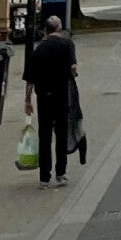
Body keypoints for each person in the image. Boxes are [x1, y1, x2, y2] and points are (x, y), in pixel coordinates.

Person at [25, 13, 78, 185]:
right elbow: (73, 67)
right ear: (59, 28)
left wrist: (27, 101)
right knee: (61, 134)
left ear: (45, 31)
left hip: (43, 97)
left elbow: (30, 79)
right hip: (61, 95)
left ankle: (44, 177)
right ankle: (60, 173)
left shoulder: (38, 49)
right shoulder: (67, 44)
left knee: (45, 135)